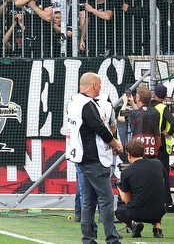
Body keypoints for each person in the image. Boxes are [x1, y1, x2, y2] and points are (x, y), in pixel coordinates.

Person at [66, 71, 124, 244]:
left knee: (88, 201)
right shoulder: (87, 104)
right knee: (106, 200)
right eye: (99, 84)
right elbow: (101, 129)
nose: (100, 88)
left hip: (83, 157)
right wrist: (115, 144)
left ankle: (88, 239)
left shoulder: (74, 102)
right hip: (95, 159)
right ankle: (112, 239)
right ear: (95, 85)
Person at [115, 140, 167, 239]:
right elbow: (162, 180)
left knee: (119, 212)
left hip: (139, 213)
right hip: (159, 210)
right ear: (143, 153)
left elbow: (127, 200)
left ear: (129, 155)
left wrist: (120, 188)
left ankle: (134, 223)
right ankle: (157, 227)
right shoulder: (157, 163)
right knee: (153, 195)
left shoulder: (126, 173)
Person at [151, 83, 174, 211]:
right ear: (165, 96)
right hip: (161, 146)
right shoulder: (163, 107)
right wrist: (169, 132)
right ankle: (168, 203)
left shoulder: (147, 106)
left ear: (154, 94)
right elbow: (172, 121)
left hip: (148, 145)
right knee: (164, 175)